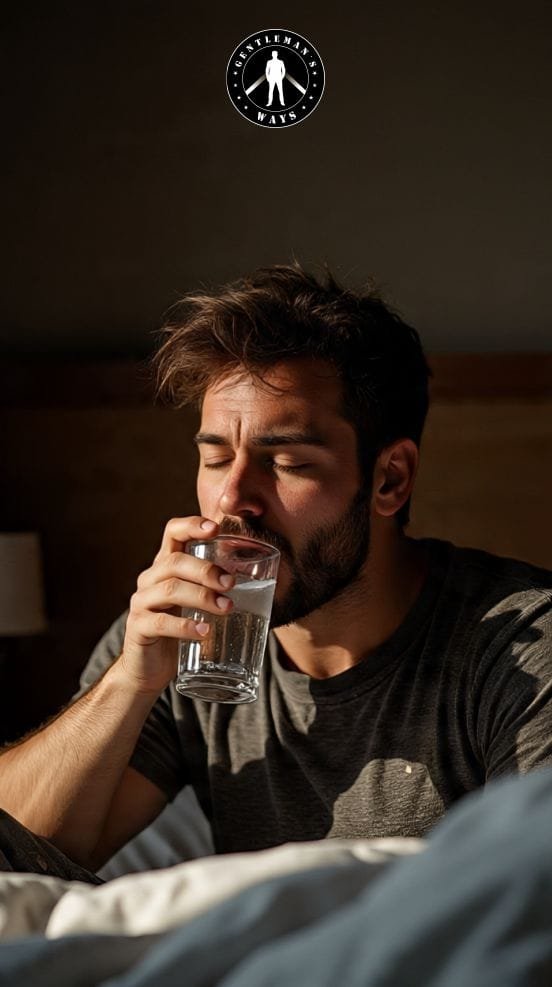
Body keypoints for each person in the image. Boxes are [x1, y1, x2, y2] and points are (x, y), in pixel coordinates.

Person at [0, 263, 551, 880]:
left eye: (285, 461)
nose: (233, 500)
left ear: (389, 478)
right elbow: (23, 855)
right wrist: (129, 680)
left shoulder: (519, 652)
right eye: (215, 457)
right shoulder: (176, 638)